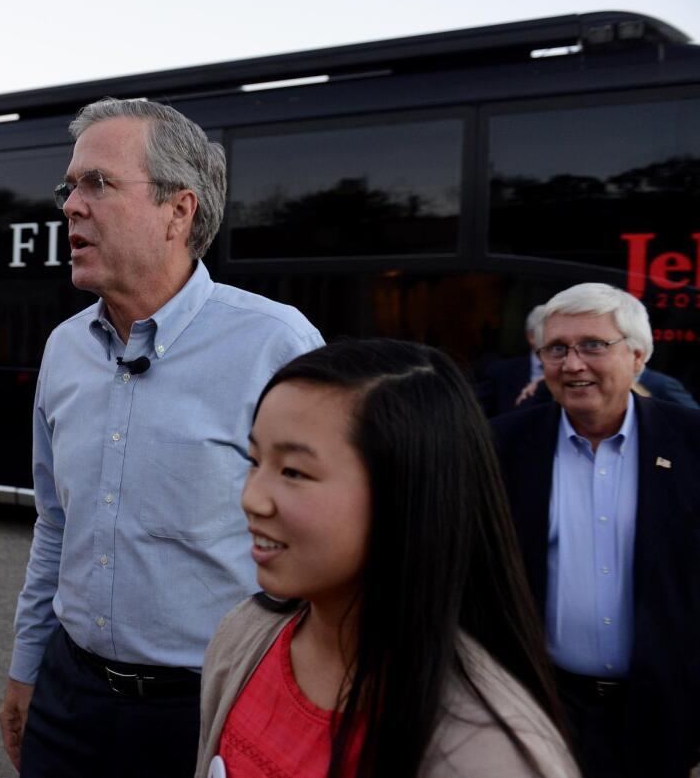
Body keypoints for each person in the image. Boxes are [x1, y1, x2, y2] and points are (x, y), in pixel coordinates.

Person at [0, 97, 324, 778]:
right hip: (69, 698)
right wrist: (27, 668)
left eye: (98, 183)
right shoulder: (63, 350)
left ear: (180, 210)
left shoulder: (275, 343)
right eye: (69, 186)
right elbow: (54, 526)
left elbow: (325, 544)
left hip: (211, 710)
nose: (70, 206)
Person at [198, 339, 579, 778]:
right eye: (254, 460)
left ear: (405, 490)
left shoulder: (485, 753)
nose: (253, 499)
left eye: (294, 472)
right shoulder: (245, 636)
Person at [491, 283, 700, 778]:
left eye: (592, 345)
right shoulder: (503, 445)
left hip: (667, 710)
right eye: (556, 349)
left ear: (638, 356)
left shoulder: (692, 443)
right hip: (543, 709)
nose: (572, 364)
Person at [477, 303, 548, 416]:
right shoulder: (500, 372)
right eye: (549, 332)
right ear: (531, 337)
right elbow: (478, 417)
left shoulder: (574, 369)